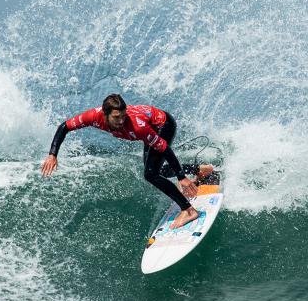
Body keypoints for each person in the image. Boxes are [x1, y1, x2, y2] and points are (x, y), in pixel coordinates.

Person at [41, 93, 205, 228]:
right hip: (152, 125)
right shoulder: (92, 117)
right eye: (116, 117)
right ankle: (199, 170)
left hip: (163, 125)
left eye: (123, 116)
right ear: (105, 115)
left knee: (150, 174)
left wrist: (181, 176)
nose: (121, 121)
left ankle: (189, 210)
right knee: (156, 170)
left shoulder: (136, 126)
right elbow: (65, 126)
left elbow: (164, 148)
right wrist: (52, 154)